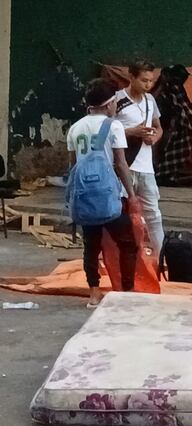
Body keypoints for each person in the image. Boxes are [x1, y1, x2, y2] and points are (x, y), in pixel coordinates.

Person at [67, 79, 138, 308]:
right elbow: (120, 164)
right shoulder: (113, 126)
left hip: (85, 197)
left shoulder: (75, 128)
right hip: (108, 198)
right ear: (109, 104)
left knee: (91, 246)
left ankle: (94, 294)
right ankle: (126, 291)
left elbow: (73, 167)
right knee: (128, 243)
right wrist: (132, 195)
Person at [115, 60, 165, 256]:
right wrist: (132, 132)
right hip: (123, 163)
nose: (148, 85)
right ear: (132, 77)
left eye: (151, 81)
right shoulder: (117, 100)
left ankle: (160, 256)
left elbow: (158, 126)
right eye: (144, 80)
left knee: (153, 213)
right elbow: (108, 131)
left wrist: (154, 137)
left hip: (146, 166)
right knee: (121, 211)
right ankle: (122, 254)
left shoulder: (150, 101)